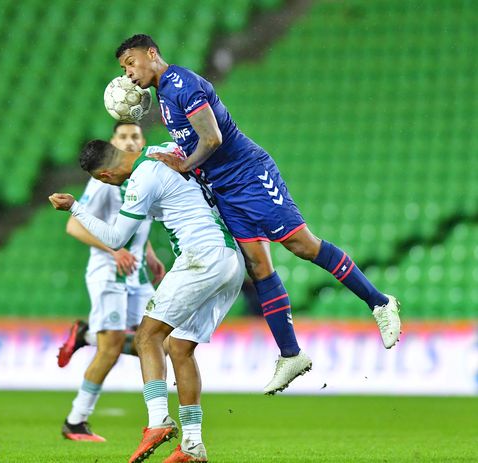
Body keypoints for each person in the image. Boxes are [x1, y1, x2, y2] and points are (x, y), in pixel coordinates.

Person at [115, 34, 402, 394]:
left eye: (130, 62)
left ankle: (379, 302)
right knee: (258, 267)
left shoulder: (183, 85)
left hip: (249, 175)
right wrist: (182, 159)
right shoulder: (163, 96)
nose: (127, 72)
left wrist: (183, 165)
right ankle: (291, 354)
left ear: (151, 53)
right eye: (123, 68)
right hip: (226, 189)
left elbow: (213, 138)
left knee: (302, 245)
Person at [49, 139, 245, 463]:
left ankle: (157, 421)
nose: (109, 184)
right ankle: (193, 446)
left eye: (103, 180)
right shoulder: (161, 151)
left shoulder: (142, 177)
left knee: (146, 337)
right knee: (180, 347)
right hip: (229, 259)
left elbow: (115, 238)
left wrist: (74, 206)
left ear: (106, 173)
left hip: (202, 255)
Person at [58, 122, 166, 442]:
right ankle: (76, 421)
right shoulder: (105, 182)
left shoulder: (142, 176)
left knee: (157, 340)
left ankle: (87, 335)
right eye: (123, 137)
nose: (130, 141)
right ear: (113, 144)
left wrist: (148, 253)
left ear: (143, 140)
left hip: (138, 273)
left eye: (135, 136)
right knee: (112, 350)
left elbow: (133, 223)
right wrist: (114, 249)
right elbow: (74, 228)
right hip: (108, 271)